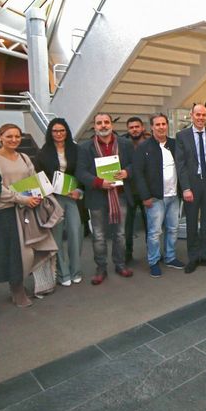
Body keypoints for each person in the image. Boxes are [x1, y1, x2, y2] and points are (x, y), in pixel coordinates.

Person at [0, 123, 60, 307]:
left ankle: (23, 283)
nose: (14, 140)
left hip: (28, 209)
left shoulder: (23, 157)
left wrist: (37, 196)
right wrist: (21, 199)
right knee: (14, 252)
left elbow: (34, 179)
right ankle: (17, 289)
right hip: (6, 211)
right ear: (0, 137)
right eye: (9, 136)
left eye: (17, 136)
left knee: (29, 250)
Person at [76, 112, 135, 284]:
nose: (103, 125)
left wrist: (127, 172)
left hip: (120, 195)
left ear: (112, 125)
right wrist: (98, 182)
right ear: (94, 126)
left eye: (106, 122)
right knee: (99, 236)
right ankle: (101, 268)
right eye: (99, 123)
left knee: (120, 234)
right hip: (97, 196)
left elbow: (134, 164)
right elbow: (81, 172)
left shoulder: (125, 144)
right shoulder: (85, 147)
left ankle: (120, 264)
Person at [132, 113, 184, 278]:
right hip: (155, 198)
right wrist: (145, 196)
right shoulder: (143, 147)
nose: (161, 127)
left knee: (173, 229)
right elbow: (138, 174)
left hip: (174, 196)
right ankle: (154, 261)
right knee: (154, 233)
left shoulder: (175, 144)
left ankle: (170, 257)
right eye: (158, 124)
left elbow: (182, 167)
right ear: (152, 127)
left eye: (164, 124)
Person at [175, 104, 206, 272]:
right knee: (191, 222)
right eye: (198, 114)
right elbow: (180, 165)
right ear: (191, 115)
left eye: (204, 115)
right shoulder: (182, 136)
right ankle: (193, 257)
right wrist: (185, 188)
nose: (201, 118)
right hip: (192, 185)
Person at [35, 118, 84, 286]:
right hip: (53, 199)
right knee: (56, 237)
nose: (59, 134)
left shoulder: (76, 150)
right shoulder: (43, 152)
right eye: (55, 131)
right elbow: (39, 176)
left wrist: (79, 190)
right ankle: (63, 274)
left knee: (75, 233)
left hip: (72, 198)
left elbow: (82, 171)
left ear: (67, 132)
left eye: (62, 130)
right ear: (50, 133)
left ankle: (76, 270)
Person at [124, 116, 148, 263]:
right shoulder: (123, 145)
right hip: (128, 191)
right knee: (128, 226)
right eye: (131, 127)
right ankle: (127, 255)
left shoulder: (150, 144)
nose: (134, 130)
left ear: (142, 128)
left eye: (137, 126)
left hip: (146, 191)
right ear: (128, 130)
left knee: (150, 226)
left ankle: (153, 254)